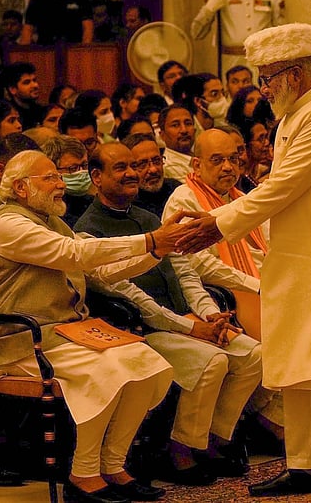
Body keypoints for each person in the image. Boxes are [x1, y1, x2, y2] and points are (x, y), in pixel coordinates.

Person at [176, 23, 311, 498]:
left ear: (294, 75)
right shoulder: (296, 115)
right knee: (300, 361)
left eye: (268, 77)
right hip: (302, 254)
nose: (263, 87)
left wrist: (218, 223)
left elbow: (281, 187)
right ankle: (304, 468)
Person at [0, 149, 181, 503]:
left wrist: (157, 250)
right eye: (49, 177)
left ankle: (112, 464)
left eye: (58, 176)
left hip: (64, 333)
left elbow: (102, 271)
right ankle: (82, 474)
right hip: (18, 340)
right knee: (107, 370)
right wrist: (151, 239)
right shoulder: (9, 224)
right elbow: (72, 254)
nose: (61, 184)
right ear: (20, 187)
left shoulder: (52, 221)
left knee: (147, 363)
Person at [73, 141, 262, 485]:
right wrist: (189, 329)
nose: (133, 173)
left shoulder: (148, 218)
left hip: (187, 322)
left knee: (253, 354)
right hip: (139, 328)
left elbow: (187, 274)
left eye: (134, 166)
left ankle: (214, 439)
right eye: (121, 168)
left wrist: (207, 315)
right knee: (212, 360)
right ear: (96, 177)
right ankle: (181, 449)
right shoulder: (88, 230)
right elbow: (127, 294)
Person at [190, 0, 284, 76]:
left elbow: (280, 32)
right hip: (232, 62)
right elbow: (196, 33)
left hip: (263, 62)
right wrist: (209, 9)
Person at [123, 132, 181, 218]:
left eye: (157, 160)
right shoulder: (125, 203)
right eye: (142, 164)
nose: (153, 169)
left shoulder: (176, 189)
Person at [0, 62, 44, 131]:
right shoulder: (9, 115)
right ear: (13, 89)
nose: (35, 85)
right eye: (27, 82)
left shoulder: (41, 110)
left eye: (34, 80)